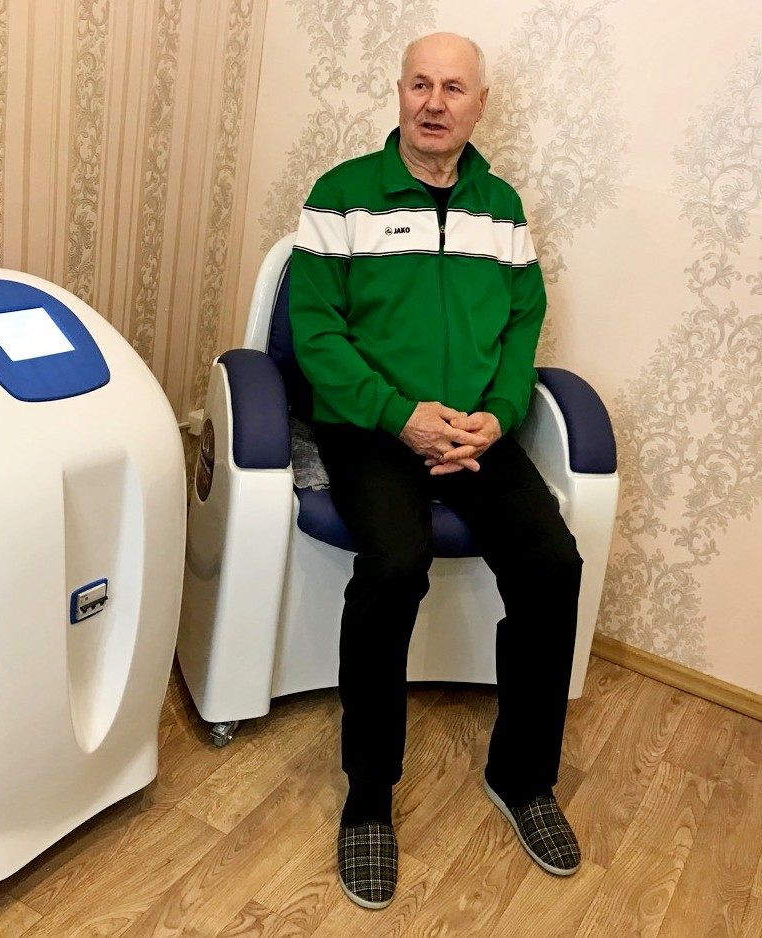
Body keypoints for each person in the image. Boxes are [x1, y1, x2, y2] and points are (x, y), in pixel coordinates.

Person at [289, 32, 583, 909]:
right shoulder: (339, 194)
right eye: (419, 84)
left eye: (453, 88)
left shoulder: (503, 208)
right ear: (398, 93)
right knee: (393, 563)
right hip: (372, 427)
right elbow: (315, 334)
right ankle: (368, 797)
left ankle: (521, 778)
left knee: (552, 565)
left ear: (479, 104)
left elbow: (522, 325)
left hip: (471, 431)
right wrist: (399, 417)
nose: (433, 102)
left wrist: (498, 414)